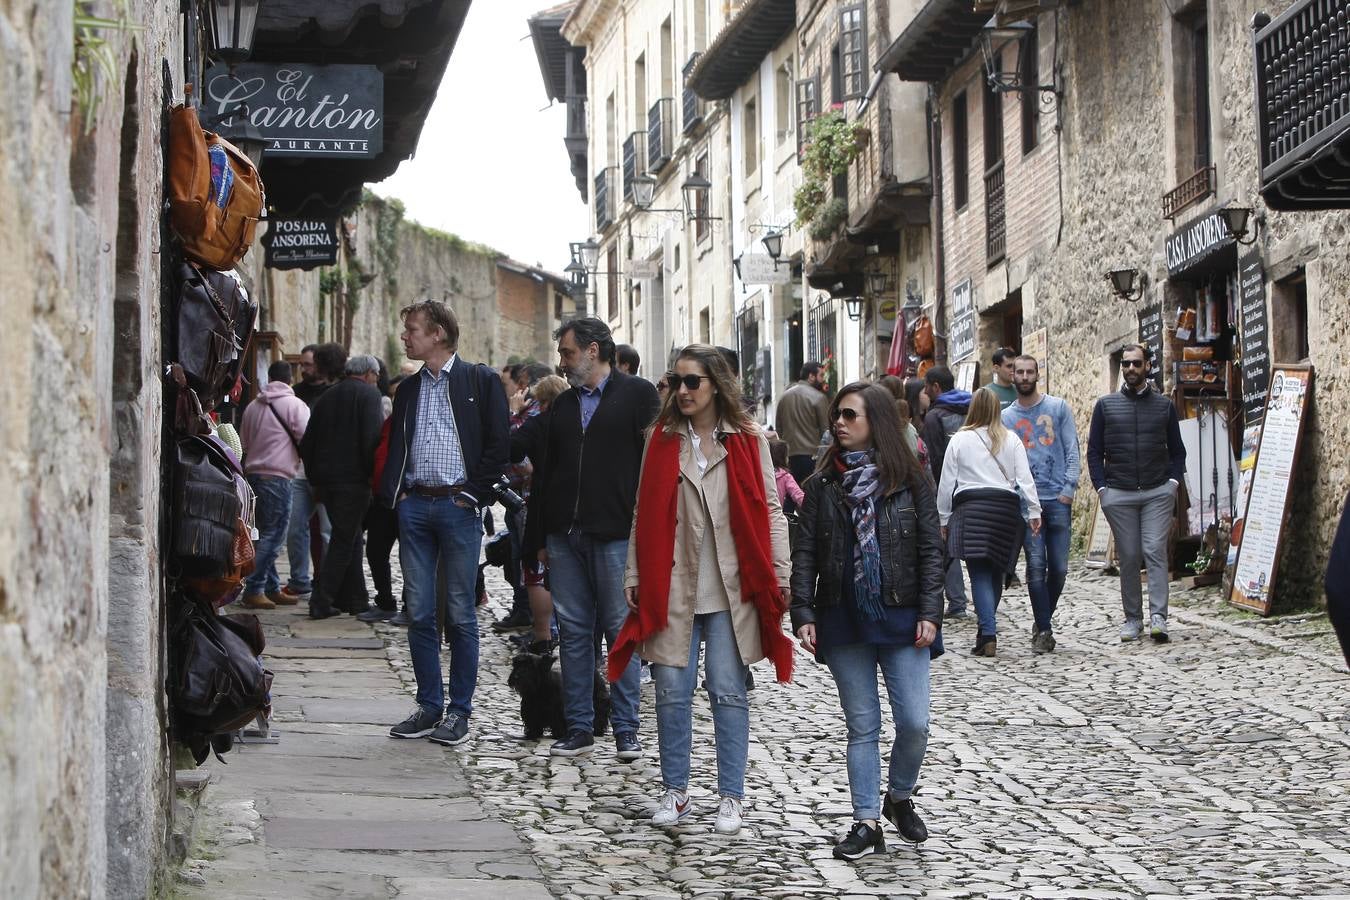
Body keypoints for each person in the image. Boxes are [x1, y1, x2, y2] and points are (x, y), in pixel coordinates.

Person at [610, 344, 793, 835]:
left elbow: (771, 509)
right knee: (671, 690)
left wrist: (780, 572)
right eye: (677, 380)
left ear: (716, 385)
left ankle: (731, 797)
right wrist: (633, 573)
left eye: (693, 381)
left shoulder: (747, 439)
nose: (683, 391)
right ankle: (676, 790)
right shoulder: (661, 439)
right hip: (673, 582)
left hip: (732, 585)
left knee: (728, 691)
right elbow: (641, 512)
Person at [791, 382, 943, 860]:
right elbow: (806, 553)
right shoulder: (821, 486)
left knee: (915, 723)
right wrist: (803, 611)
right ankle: (865, 822)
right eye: (837, 415)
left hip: (902, 616)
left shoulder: (912, 479)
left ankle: (898, 797)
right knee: (863, 725)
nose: (838, 422)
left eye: (849, 415)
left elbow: (931, 551)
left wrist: (930, 612)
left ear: (875, 421)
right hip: (843, 616)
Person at [528, 317, 660, 760]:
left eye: (567, 353)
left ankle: (626, 729)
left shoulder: (638, 395)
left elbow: (655, 466)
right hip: (565, 534)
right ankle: (579, 726)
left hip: (616, 533)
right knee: (575, 632)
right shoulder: (562, 406)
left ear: (593, 350)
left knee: (620, 631)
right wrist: (539, 537)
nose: (561, 363)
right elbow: (545, 475)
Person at [380, 300, 509, 745]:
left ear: (437, 333)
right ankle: (428, 705)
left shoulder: (480, 380)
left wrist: (476, 493)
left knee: (459, 613)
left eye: (412, 329)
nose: (405, 336)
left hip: (458, 508)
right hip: (416, 505)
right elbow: (397, 445)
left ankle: (459, 711)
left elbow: (498, 444)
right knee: (418, 611)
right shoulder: (410, 389)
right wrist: (395, 496)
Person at [1087, 343, 1186, 643]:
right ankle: (1133, 618)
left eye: (1136, 364)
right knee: (1129, 556)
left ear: (1147, 367)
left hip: (1157, 491)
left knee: (1154, 551)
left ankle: (1159, 618)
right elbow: (1094, 451)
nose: (1130, 369)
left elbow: (1177, 452)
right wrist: (1102, 488)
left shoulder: (1164, 406)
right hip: (1119, 492)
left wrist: (1172, 484)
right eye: (1126, 364)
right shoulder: (1106, 406)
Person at [938, 388, 1041, 657]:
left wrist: (943, 518)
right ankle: (986, 630)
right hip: (1005, 511)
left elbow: (947, 482)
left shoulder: (959, 440)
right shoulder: (1012, 439)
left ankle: (988, 632)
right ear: (997, 410)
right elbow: (1024, 478)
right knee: (997, 571)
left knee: (980, 573)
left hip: (971, 509)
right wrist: (1034, 511)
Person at [1002, 355, 1080, 653]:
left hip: (1057, 498)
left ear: (1037, 374)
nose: (1024, 376)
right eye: (1019, 372)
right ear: (1012, 376)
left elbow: (1071, 448)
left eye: (1029, 372)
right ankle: (1044, 629)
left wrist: (1069, 488)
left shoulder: (1057, 408)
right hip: (1026, 503)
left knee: (1059, 568)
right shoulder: (1006, 418)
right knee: (1036, 566)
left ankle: (1042, 616)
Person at [299, 355, 385, 620]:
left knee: (351, 536)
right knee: (343, 540)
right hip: (353, 482)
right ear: (370, 373)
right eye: (377, 375)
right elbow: (372, 440)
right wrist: (373, 479)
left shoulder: (327, 396)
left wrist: (315, 478)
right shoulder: (369, 396)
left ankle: (355, 599)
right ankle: (321, 599)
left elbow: (307, 442)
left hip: (327, 482)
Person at [238, 360, 310, 610]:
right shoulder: (295, 405)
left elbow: (244, 444)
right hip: (278, 476)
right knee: (274, 535)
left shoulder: (252, 407)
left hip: (254, 475)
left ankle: (270, 587)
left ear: (269, 377)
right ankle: (255, 588)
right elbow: (306, 439)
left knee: (261, 532)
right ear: (291, 378)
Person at [281, 342, 342, 603]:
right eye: (303, 365)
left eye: (310, 364)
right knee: (295, 528)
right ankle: (299, 580)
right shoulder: (295, 394)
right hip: (299, 470)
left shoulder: (335, 394)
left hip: (326, 474)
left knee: (328, 531)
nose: (306, 369)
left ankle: (327, 584)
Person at [921, 366, 972, 619]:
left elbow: (935, 458)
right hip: (974, 486)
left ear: (936, 387)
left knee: (946, 545)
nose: (924, 390)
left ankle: (957, 602)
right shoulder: (972, 408)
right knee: (974, 546)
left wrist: (939, 496)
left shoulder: (934, 417)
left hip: (947, 489)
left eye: (926, 386)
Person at [358, 372, 405, 623]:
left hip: (405, 498)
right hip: (383, 498)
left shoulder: (416, 422)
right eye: (395, 394)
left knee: (409, 555)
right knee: (376, 551)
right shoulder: (389, 422)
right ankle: (385, 601)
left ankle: (411, 605)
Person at [776, 362, 831, 486]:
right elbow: (826, 431)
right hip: (812, 456)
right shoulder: (819, 397)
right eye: (821, 375)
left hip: (790, 456)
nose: (823, 379)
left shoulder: (784, 397)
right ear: (811, 376)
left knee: (792, 495)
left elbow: (778, 429)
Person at [769, 440, 804, 512]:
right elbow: (798, 495)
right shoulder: (785, 476)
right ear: (783, 458)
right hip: (776, 513)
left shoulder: (763, 473)